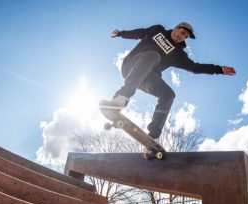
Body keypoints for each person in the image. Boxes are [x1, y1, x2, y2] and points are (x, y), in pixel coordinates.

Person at [100, 22, 236, 140]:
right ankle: (121, 97)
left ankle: (153, 136)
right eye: (182, 33)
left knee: (168, 95)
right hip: (131, 66)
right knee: (153, 56)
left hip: (147, 78)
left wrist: (219, 69)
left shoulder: (178, 54)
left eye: (185, 36)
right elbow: (140, 32)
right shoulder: (157, 30)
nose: (181, 37)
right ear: (176, 28)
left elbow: (195, 67)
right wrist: (121, 33)